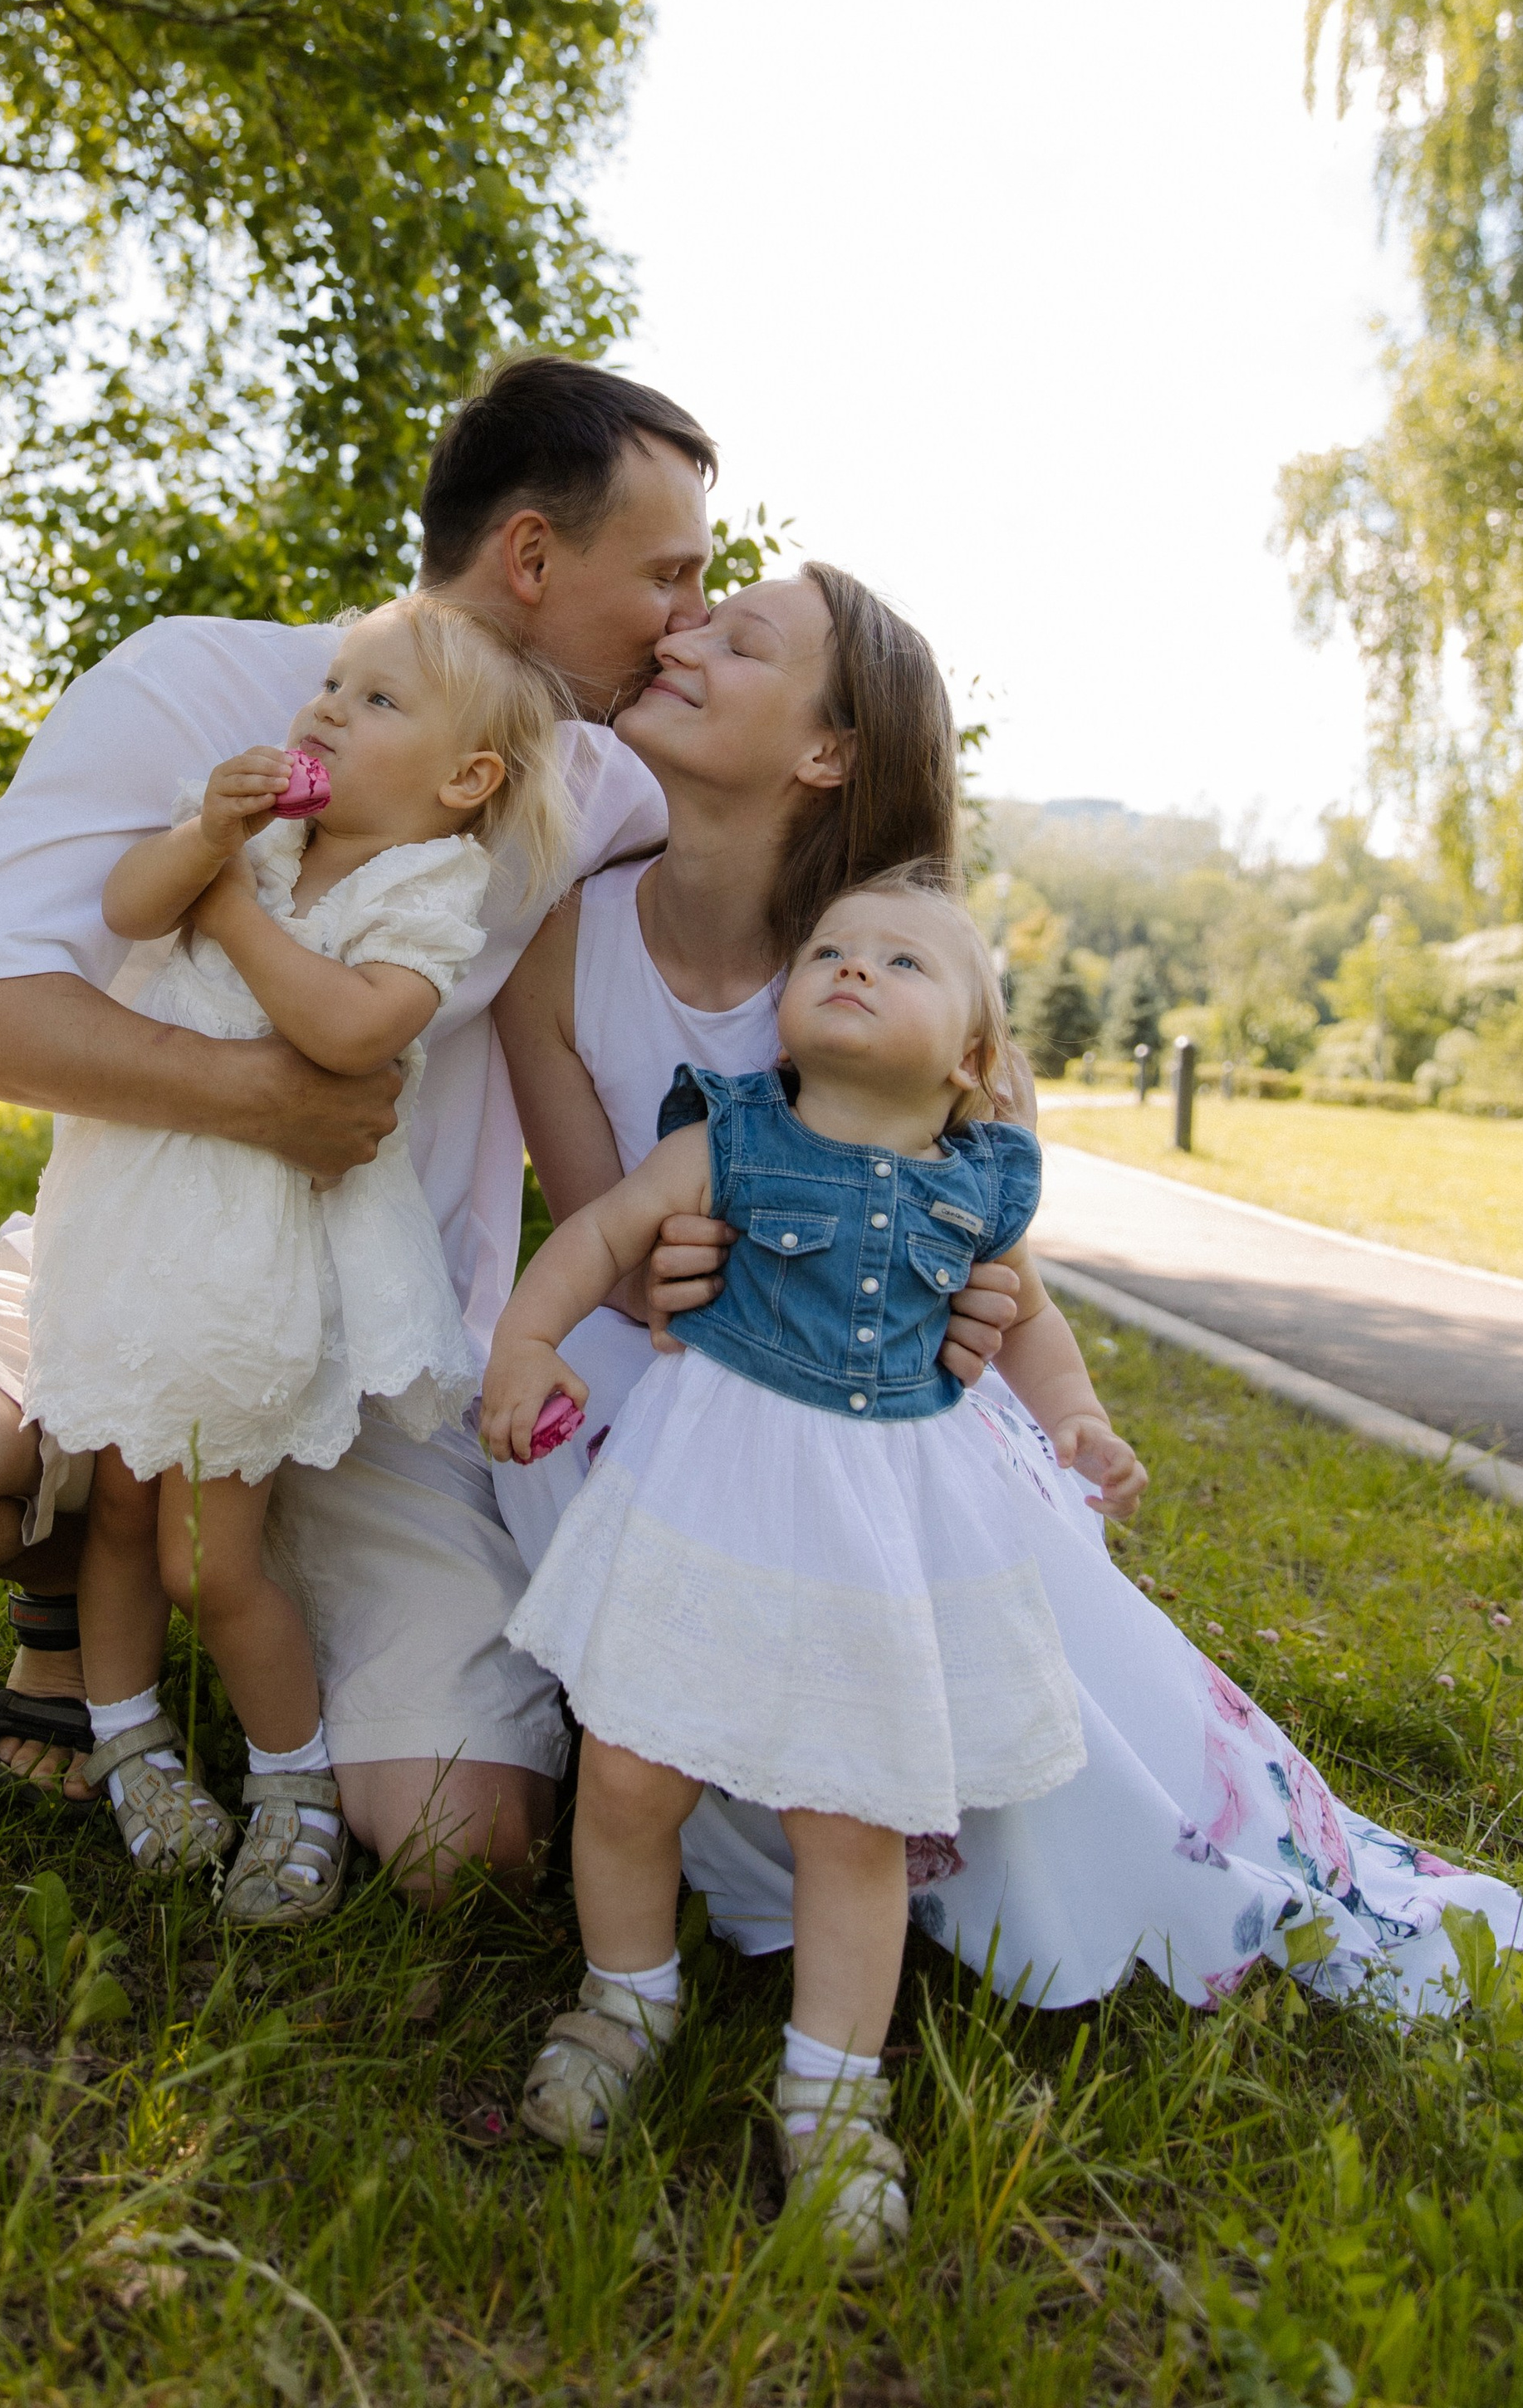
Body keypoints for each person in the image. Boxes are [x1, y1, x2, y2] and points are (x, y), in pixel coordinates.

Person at [0, 358, 1018, 1898]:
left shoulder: (603, 780)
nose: (687, 625)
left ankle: (226, 1580)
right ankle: (88, 1569)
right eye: (670, 578)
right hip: (129, 1276)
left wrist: (961, 1246)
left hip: (382, 1353)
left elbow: (838, 915)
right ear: (532, 555)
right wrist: (263, 1096)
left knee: (459, 1849)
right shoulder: (200, 685)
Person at [488, 558, 1523, 2204]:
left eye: (737, 637)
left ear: (827, 751)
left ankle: (855, 2030)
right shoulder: (571, 945)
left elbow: (997, 1278)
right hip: (682, 1401)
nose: (678, 633)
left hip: (881, 1430)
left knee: (962, 1762)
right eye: (695, 616)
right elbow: (601, 1227)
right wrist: (626, 1288)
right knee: (637, 1728)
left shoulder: (906, 980)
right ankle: (644, 1960)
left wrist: (1042, 1386)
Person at [482, 868, 1144, 2254]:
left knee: (853, 1817)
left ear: (970, 1057)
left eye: (903, 963)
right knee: (631, 1772)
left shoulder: (982, 1184)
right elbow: (600, 1233)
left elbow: (1029, 1321)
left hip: (874, 1536)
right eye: (832, 950)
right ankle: (624, 2000)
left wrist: (1078, 1419)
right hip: (708, 1499)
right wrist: (528, 1342)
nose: (853, 967)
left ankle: (834, 2093)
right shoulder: (727, 1135)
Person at [27, 596, 570, 1920]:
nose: (328, 707)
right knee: (119, 1509)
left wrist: (230, 912)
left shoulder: (429, 891)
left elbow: (350, 1028)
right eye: (333, 683)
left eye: (378, 700)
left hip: (259, 1264)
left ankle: (292, 1777)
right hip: (136, 1218)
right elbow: (125, 905)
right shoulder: (250, 834)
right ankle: (130, 1738)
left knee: (209, 1560)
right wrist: (205, 843)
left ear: (466, 779)